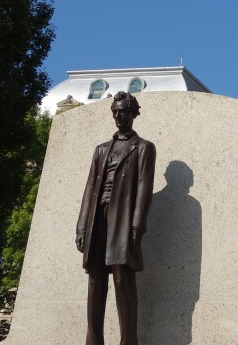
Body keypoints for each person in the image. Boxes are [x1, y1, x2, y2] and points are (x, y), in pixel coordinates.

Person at [76, 91, 156, 345]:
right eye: (115, 111)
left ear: (134, 113)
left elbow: (144, 188)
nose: (118, 116)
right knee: (95, 278)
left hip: (122, 219)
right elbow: (89, 189)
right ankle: (94, 340)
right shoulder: (101, 150)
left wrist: (137, 226)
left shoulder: (143, 148)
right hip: (97, 218)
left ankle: (128, 341)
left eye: (123, 111)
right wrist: (81, 228)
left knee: (122, 279)